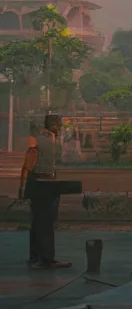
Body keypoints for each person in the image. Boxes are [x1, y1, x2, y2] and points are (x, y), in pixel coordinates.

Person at [19, 115, 71, 269]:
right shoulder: (43, 139)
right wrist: (22, 185)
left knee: (39, 222)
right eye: (58, 125)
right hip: (42, 183)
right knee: (45, 222)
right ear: (53, 125)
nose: (60, 128)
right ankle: (45, 258)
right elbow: (29, 162)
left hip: (42, 182)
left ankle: (38, 257)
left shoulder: (43, 138)